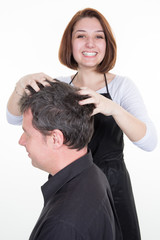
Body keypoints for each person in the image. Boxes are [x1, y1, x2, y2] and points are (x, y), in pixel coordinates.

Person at [7, 8, 157, 240]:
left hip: (112, 182)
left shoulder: (121, 87)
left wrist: (112, 108)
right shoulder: (59, 85)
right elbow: (15, 118)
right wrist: (20, 86)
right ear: (70, 42)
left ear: (107, 44)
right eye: (81, 36)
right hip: (70, 179)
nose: (90, 43)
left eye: (98, 36)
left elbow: (149, 142)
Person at [18, 80, 121, 240]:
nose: (21, 141)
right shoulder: (93, 174)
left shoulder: (61, 226)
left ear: (55, 139)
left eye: (27, 133)